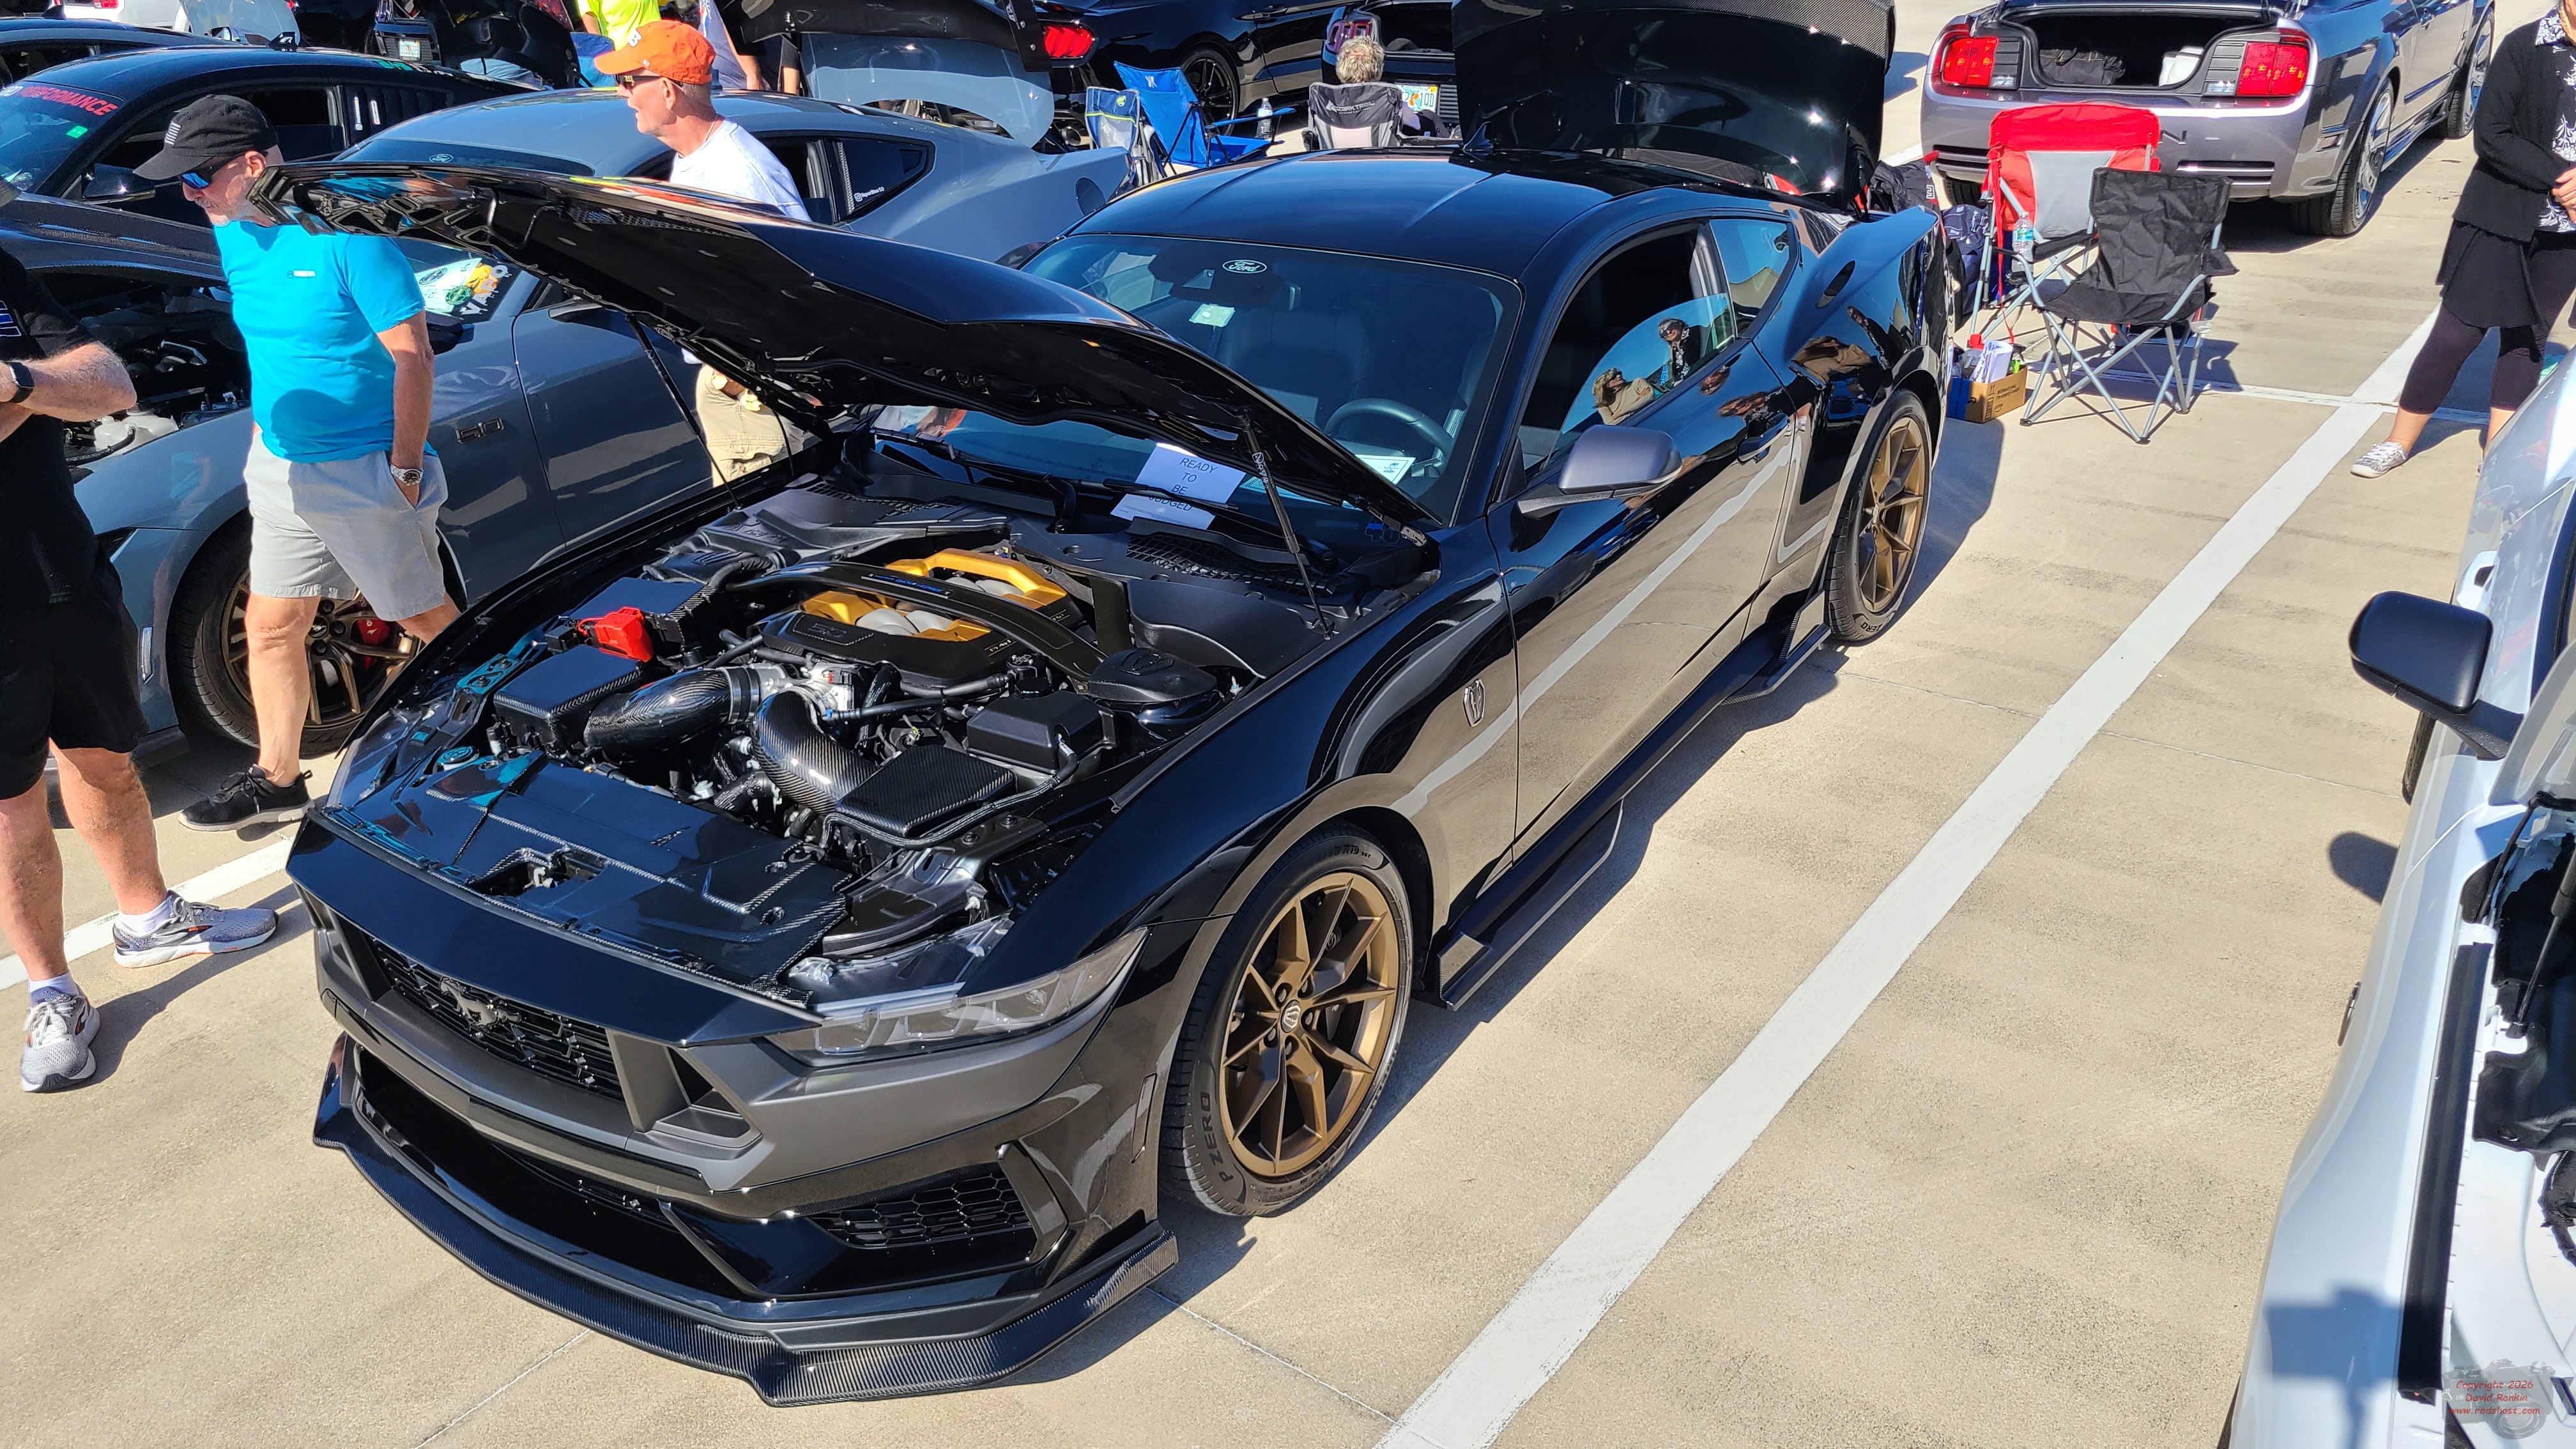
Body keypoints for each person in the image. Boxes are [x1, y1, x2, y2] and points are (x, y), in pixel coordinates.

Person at [129, 98, 461, 834]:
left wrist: (406, 469)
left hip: (362, 465)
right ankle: (278, 778)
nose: (188, 193)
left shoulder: (351, 242)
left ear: (253, 164)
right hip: (278, 462)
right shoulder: (231, 227)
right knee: (273, 622)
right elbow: (270, 335)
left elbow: (414, 357)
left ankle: (497, 729)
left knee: (422, 616)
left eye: (198, 177)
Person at [1, 222, 280, 1092]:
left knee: (106, 760)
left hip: (63, 574)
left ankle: (148, 918)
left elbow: (110, 383)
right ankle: (52, 993)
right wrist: (42, 397)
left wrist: (18, 382)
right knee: (10, 806)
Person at [2353, 0, 2576, 478]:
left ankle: (2497, 453)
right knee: (2456, 334)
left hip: (2567, 236)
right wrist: (2565, 179)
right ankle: (2398, 441)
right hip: (2500, 215)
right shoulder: (2525, 46)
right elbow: (2492, 135)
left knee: (2528, 339)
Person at [600, 20, 809, 480]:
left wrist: (740, 377)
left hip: (754, 393)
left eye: (630, 80)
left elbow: (801, 282)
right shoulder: (695, 160)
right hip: (732, 383)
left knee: (763, 521)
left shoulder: (739, 174)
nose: (622, 94)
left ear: (668, 91)